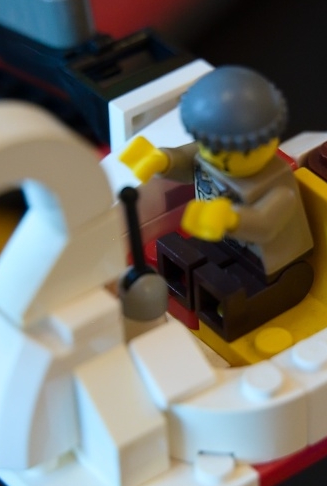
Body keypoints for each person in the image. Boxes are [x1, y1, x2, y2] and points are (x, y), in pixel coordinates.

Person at [119, 66, 314, 341]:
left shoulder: (277, 184)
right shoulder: (210, 154)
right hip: (219, 242)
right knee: (182, 257)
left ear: (267, 141)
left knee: (228, 291)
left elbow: (266, 223)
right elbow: (187, 161)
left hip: (271, 266)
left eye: (237, 151)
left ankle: (223, 312)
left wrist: (230, 218)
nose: (217, 159)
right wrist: (162, 160)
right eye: (209, 146)